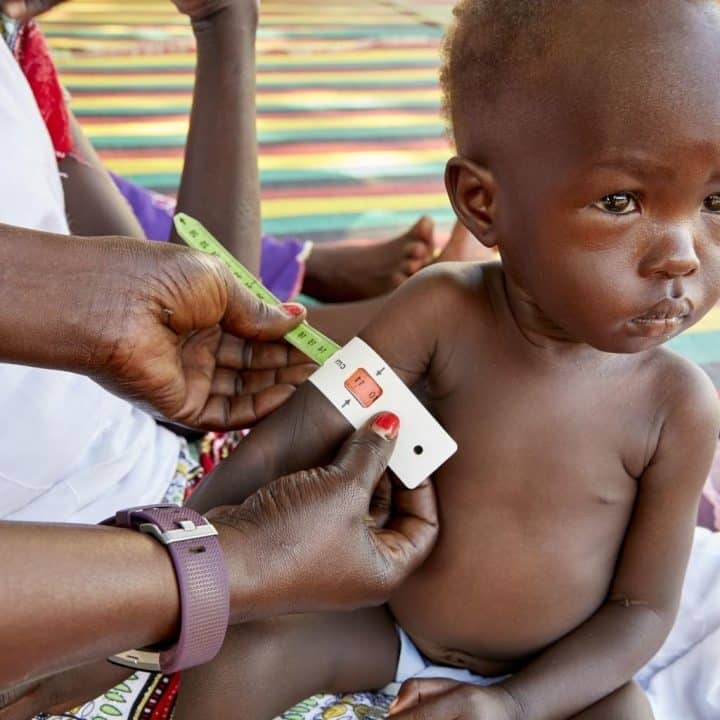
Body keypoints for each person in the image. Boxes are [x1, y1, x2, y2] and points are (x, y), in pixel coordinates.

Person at [163, 1, 720, 718]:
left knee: (627, 714)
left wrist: (514, 705)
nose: (681, 254)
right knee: (241, 658)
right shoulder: (441, 313)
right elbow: (288, 445)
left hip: (558, 675)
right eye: (621, 200)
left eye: (714, 200)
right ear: (483, 204)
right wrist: (170, 560)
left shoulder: (678, 405)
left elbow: (641, 612)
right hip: (382, 621)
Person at [0, 0, 440, 715]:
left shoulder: (16, 53)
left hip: (158, 500)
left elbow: (202, 303)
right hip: (94, 595)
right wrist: (235, 565)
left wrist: (225, 23)